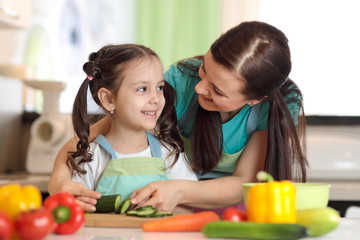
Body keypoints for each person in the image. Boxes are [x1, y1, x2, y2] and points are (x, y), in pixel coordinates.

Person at [49, 21, 307, 213]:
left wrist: (180, 189)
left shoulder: (280, 103)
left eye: (217, 90)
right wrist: (59, 180)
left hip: (233, 208)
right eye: (204, 69)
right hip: (177, 204)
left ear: (255, 99)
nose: (199, 88)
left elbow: (244, 181)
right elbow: (92, 137)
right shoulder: (182, 80)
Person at [55, 44, 197, 212]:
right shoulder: (91, 158)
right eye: (142, 89)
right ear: (108, 99)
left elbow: (188, 205)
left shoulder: (170, 154)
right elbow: (79, 214)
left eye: (159, 87)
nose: (156, 99)